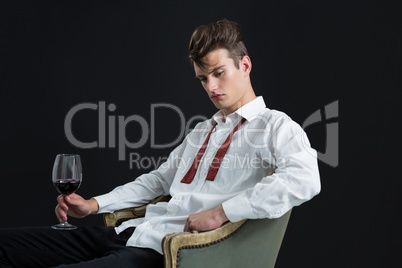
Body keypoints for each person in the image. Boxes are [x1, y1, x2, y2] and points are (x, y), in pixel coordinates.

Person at [0, 19, 320, 267]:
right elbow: (157, 181)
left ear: (245, 65)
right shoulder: (201, 131)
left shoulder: (276, 126)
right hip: (129, 232)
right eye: (202, 78)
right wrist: (93, 205)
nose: (211, 87)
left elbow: (304, 179)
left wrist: (222, 211)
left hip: (164, 254)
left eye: (219, 73)